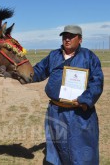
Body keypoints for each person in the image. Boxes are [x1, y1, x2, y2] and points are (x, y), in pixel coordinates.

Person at [32, 25, 104, 164]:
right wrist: (22, 73)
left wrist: (84, 100)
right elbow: (39, 71)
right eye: (65, 36)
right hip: (56, 111)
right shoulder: (54, 55)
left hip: (79, 113)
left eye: (71, 36)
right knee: (57, 147)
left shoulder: (89, 57)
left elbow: (97, 82)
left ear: (80, 39)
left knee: (81, 150)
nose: (67, 39)